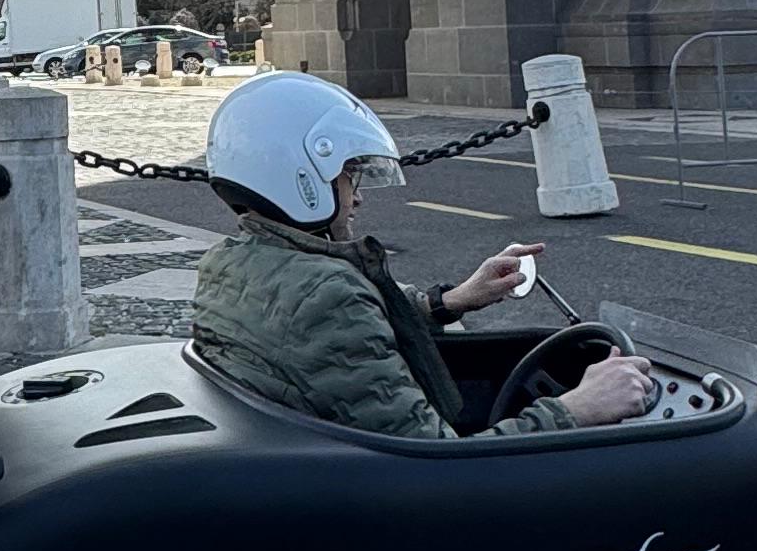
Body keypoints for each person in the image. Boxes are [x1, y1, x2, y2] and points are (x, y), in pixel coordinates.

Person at [189, 74, 655, 440]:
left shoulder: (231, 263)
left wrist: (450, 301)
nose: (358, 199)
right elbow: (439, 463)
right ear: (302, 178)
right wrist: (577, 408)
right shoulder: (326, 294)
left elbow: (335, 339)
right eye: (350, 176)